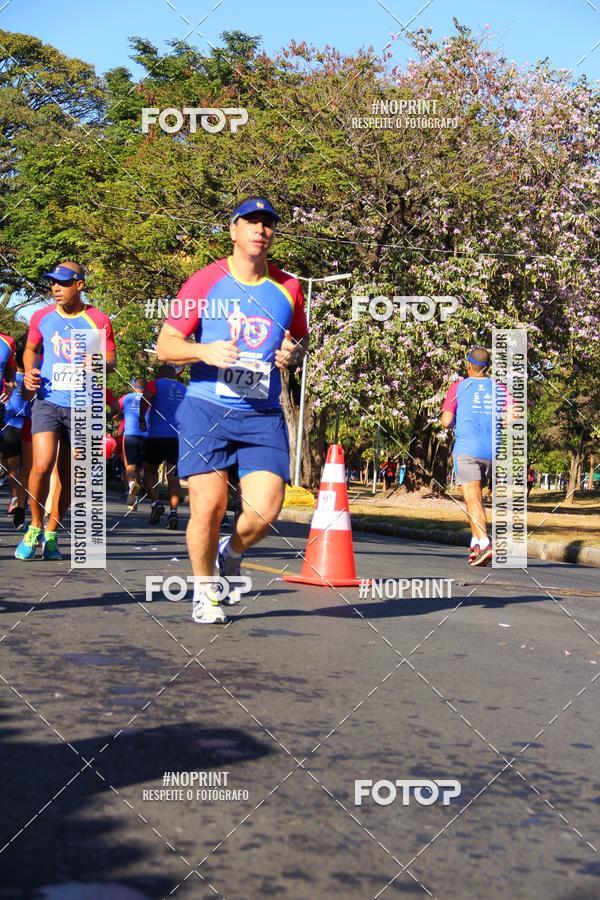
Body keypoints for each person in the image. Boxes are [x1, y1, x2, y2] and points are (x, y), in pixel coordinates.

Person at [155, 195, 309, 624]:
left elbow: (298, 339)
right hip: (207, 407)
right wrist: (205, 349)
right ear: (233, 230)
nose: (260, 230)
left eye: (268, 224)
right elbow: (165, 347)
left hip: (261, 413)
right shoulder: (204, 281)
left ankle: (231, 551)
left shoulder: (289, 287)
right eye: (251, 222)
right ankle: (205, 593)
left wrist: (291, 354)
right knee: (209, 506)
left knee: (264, 511)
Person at [15, 261, 116, 560]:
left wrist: (97, 362)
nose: (55, 288)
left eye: (63, 283)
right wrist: (30, 371)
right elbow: (31, 349)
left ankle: (52, 533)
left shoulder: (98, 319)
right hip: (48, 400)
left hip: (83, 405)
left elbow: (111, 361)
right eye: (53, 283)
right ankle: (34, 525)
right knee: (42, 465)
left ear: (79, 285)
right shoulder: (42, 317)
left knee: (69, 473)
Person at [441, 347, 508, 567]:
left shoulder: (458, 387)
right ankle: (476, 544)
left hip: (467, 449)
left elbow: (446, 421)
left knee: (473, 499)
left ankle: (486, 543)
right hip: (491, 451)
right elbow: (513, 415)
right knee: (476, 500)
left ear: (469, 365)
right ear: (487, 367)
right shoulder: (499, 389)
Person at [139, 364, 186, 529]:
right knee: (173, 476)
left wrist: (141, 419)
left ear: (160, 373)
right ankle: (173, 512)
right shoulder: (183, 388)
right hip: (177, 437)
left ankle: (156, 502)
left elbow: (146, 397)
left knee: (149, 470)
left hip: (157, 435)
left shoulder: (155, 384)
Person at [2, 336, 32, 529]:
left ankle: (15, 498)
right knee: (27, 470)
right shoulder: (34, 379)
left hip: (11, 426)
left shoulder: (12, 381)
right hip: (29, 425)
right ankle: (21, 501)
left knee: (12, 468)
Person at [119, 376, 148, 509]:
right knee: (140, 469)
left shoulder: (126, 397)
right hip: (146, 436)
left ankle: (131, 487)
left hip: (130, 435)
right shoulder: (150, 398)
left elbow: (115, 409)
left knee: (130, 468)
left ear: (133, 387)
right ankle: (134, 499)